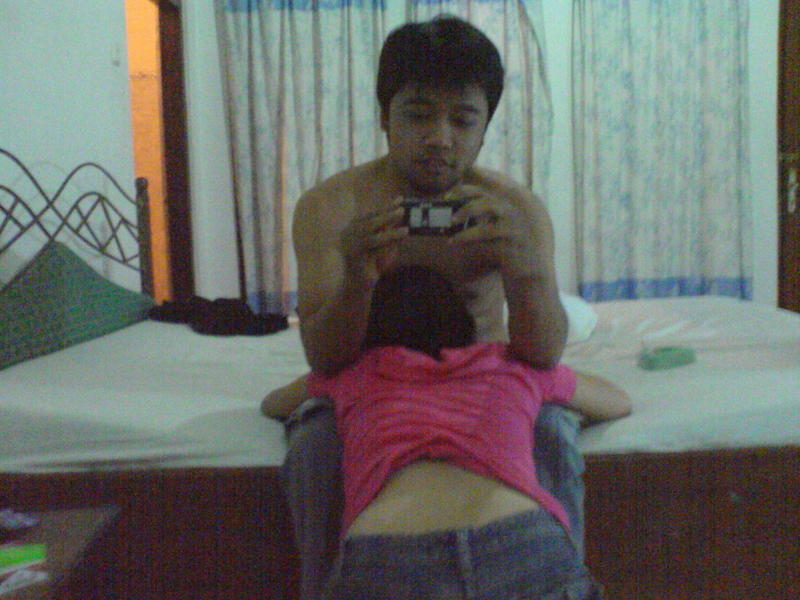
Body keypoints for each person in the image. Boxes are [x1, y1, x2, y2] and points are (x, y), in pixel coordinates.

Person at [280, 14, 577, 600]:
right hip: (369, 382)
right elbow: (325, 358)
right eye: (418, 115)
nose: (440, 137)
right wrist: (358, 276)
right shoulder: (332, 208)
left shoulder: (514, 210)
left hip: (481, 379)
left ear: (485, 129)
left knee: (554, 432)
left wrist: (526, 269)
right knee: (314, 447)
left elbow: (543, 353)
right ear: (384, 116)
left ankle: (559, 574)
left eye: (462, 120)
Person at [265, 266, 631, 599]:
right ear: (463, 318)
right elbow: (617, 402)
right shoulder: (509, 364)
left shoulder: (355, 373)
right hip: (521, 541)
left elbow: (274, 404)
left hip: (387, 557)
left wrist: (328, 376)